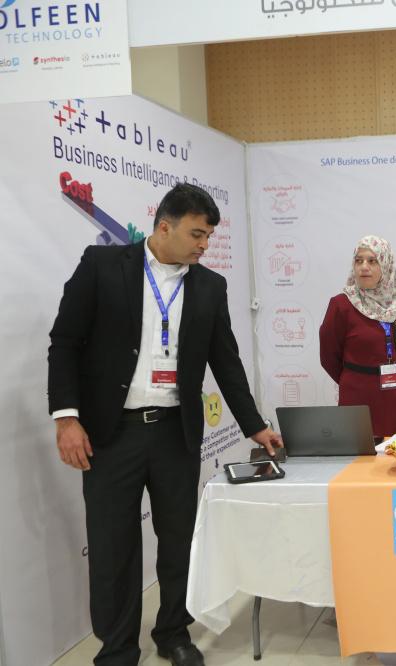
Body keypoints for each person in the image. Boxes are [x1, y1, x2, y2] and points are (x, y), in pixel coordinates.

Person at [48, 183, 283, 666]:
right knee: (113, 549)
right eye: (197, 234)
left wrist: (255, 425)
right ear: (163, 226)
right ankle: (117, 649)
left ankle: (173, 632)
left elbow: (226, 362)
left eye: (209, 236)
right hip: (111, 434)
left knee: (178, 541)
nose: (204, 245)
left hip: (176, 433)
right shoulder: (102, 266)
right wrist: (66, 417)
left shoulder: (210, 286)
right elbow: (65, 342)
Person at [319, 235, 396, 438]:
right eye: (359, 261)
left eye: (372, 261)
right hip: (362, 399)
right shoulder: (341, 305)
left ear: (386, 264)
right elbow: (329, 356)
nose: (364, 267)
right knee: (366, 456)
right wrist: (360, 378)